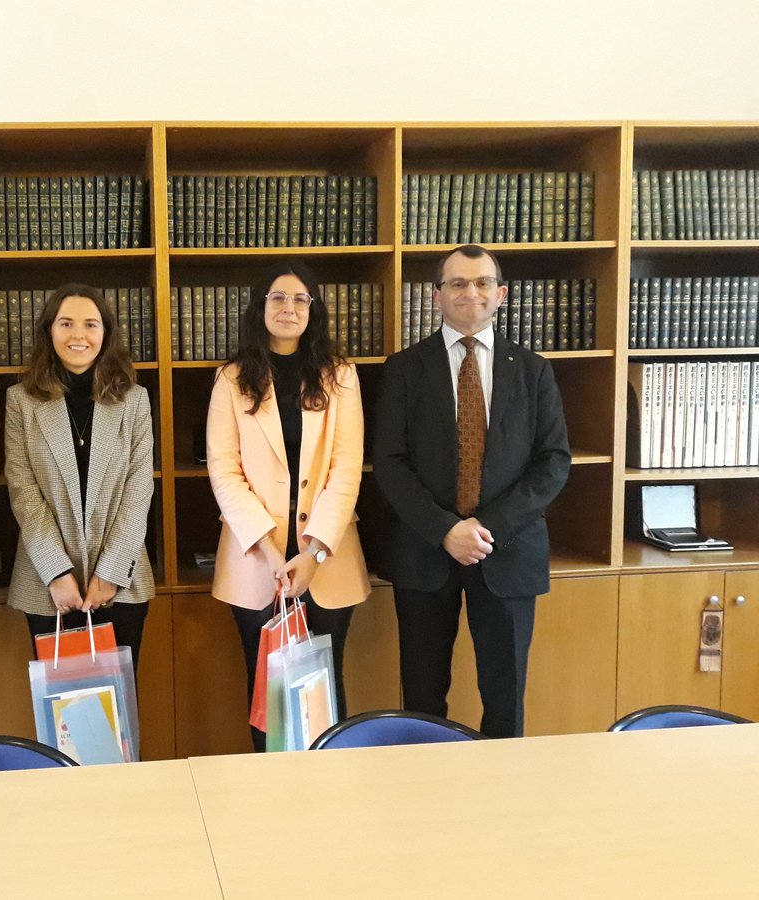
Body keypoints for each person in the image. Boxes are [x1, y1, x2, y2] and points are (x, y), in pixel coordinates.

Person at [373, 244, 570, 739]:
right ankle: (425, 801)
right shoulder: (403, 369)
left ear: (500, 294)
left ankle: (503, 807)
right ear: (437, 295)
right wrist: (446, 531)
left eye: (482, 282)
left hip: (508, 553)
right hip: (424, 552)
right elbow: (390, 465)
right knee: (422, 694)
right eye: (457, 283)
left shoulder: (533, 370)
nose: (471, 292)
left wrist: (485, 529)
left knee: (505, 697)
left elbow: (553, 463)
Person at [206, 261, 370, 752]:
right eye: (278, 298)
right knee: (265, 693)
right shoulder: (232, 379)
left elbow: (347, 468)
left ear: (312, 310)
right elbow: (224, 471)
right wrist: (274, 554)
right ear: (261, 307)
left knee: (325, 687)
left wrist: (314, 553)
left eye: (300, 299)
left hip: (327, 564)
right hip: (257, 563)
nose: (289, 308)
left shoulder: (339, 376)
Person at [4, 284, 154, 671]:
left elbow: (139, 488)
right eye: (66, 323)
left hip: (120, 582)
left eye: (90, 324)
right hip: (46, 583)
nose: (78, 335)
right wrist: (56, 571)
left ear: (105, 334)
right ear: (49, 331)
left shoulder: (134, 400)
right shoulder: (21, 400)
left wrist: (110, 571)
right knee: (63, 714)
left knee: (118, 712)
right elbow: (23, 491)